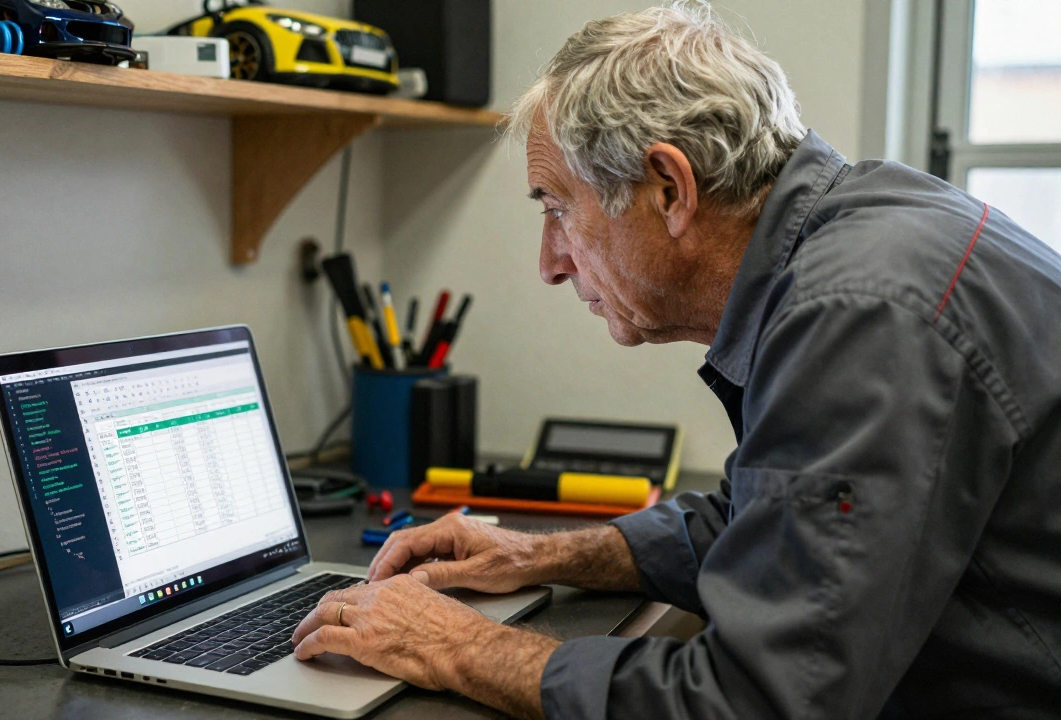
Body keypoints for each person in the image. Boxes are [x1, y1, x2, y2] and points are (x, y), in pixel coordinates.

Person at [291, 3, 1061, 718]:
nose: (549, 263)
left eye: (558, 209)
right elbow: (766, 520)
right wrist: (542, 555)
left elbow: (753, 702)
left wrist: (460, 646)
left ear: (669, 188)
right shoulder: (857, 237)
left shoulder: (860, 309)